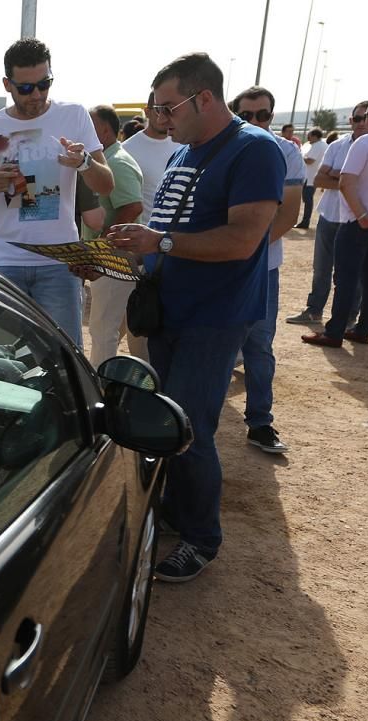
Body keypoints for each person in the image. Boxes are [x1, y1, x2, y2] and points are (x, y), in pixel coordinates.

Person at [107, 53, 285, 582]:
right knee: (166, 416)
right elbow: (166, 225)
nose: (160, 118)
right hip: (169, 308)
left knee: (187, 424)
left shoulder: (255, 152)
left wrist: (158, 241)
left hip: (215, 314)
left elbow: (242, 238)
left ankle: (202, 538)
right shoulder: (186, 151)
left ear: (203, 98)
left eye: (167, 107)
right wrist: (124, 251)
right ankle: (176, 513)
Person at [0, 37, 114, 347]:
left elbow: (106, 184)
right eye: (26, 88)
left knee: (65, 358)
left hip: (59, 262)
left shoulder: (73, 115)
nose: (37, 94)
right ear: (7, 84)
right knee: (3, 359)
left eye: (44, 84)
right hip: (7, 260)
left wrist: (84, 162)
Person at [227, 86, 303, 455]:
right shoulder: (224, 147)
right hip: (221, 266)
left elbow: (290, 213)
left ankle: (260, 422)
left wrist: (248, 250)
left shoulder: (286, 151)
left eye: (264, 115)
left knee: (259, 345)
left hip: (262, 269)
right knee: (212, 341)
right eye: (249, 115)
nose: (257, 122)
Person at [303, 97, 368, 348]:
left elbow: (346, 182)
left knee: (346, 277)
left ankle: (334, 331)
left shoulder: (365, 142)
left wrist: (361, 215)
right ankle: (363, 329)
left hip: (358, 221)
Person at [287, 103, 368, 325]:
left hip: (358, 218)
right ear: (351, 121)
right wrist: (348, 181)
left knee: (352, 273)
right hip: (329, 215)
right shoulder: (338, 146)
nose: (362, 122)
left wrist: (339, 176)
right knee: (321, 269)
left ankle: (349, 318)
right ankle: (314, 310)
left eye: (366, 117)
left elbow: (367, 185)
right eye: (358, 118)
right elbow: (319, 180)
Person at [84, 104, 145, 367]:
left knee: (102, 331)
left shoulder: (116, 163)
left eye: (88, 128)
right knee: (117, 328)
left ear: (105, 131)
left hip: (113, 261)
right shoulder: (109, 160)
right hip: (116, 259)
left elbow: (132, 206)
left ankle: (100, 388)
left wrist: (102, 247)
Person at [122, 93, 183, 223]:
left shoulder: (183, 144)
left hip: (178, 234)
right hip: (145, 235)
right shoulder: (127, 150)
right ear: (147, 112)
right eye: (157, 110)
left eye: (168, 110)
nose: (163, 116)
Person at [296, 127, 328, 229]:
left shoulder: (317, 145)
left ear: (314, 136)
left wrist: (299, 156)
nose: (308, 138)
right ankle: (305, 221)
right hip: (313, 176)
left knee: (308, 200)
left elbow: (310, 160)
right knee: (308, 200)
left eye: (309, 135)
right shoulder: (323, 145)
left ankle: (305, 222)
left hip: (310, 177)